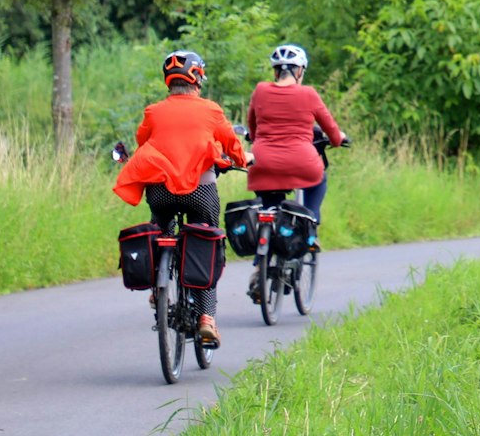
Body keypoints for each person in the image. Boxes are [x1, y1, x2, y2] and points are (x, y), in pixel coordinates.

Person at [111, 49, 247, 347]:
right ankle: (206, 318)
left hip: (160, 191)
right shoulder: (211, 110)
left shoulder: (153, 111)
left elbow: (143, 142)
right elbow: (231, 145)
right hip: (200, 190)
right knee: (207, 241)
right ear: (197, 78)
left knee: (160, 228)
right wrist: (243, 158)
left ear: (168, 81)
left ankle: (158, 287)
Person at [244, 43, 346, 249]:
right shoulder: (308, 94)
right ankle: (311, 223)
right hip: (302, 162)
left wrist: (256, 139)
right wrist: (338, 139)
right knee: (319, 179)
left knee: (269, 208)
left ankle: (263, 252)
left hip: (263, 163)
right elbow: (331, 130)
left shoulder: (260, 90)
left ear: (276, 71)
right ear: (299, 71)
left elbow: (252, 127)